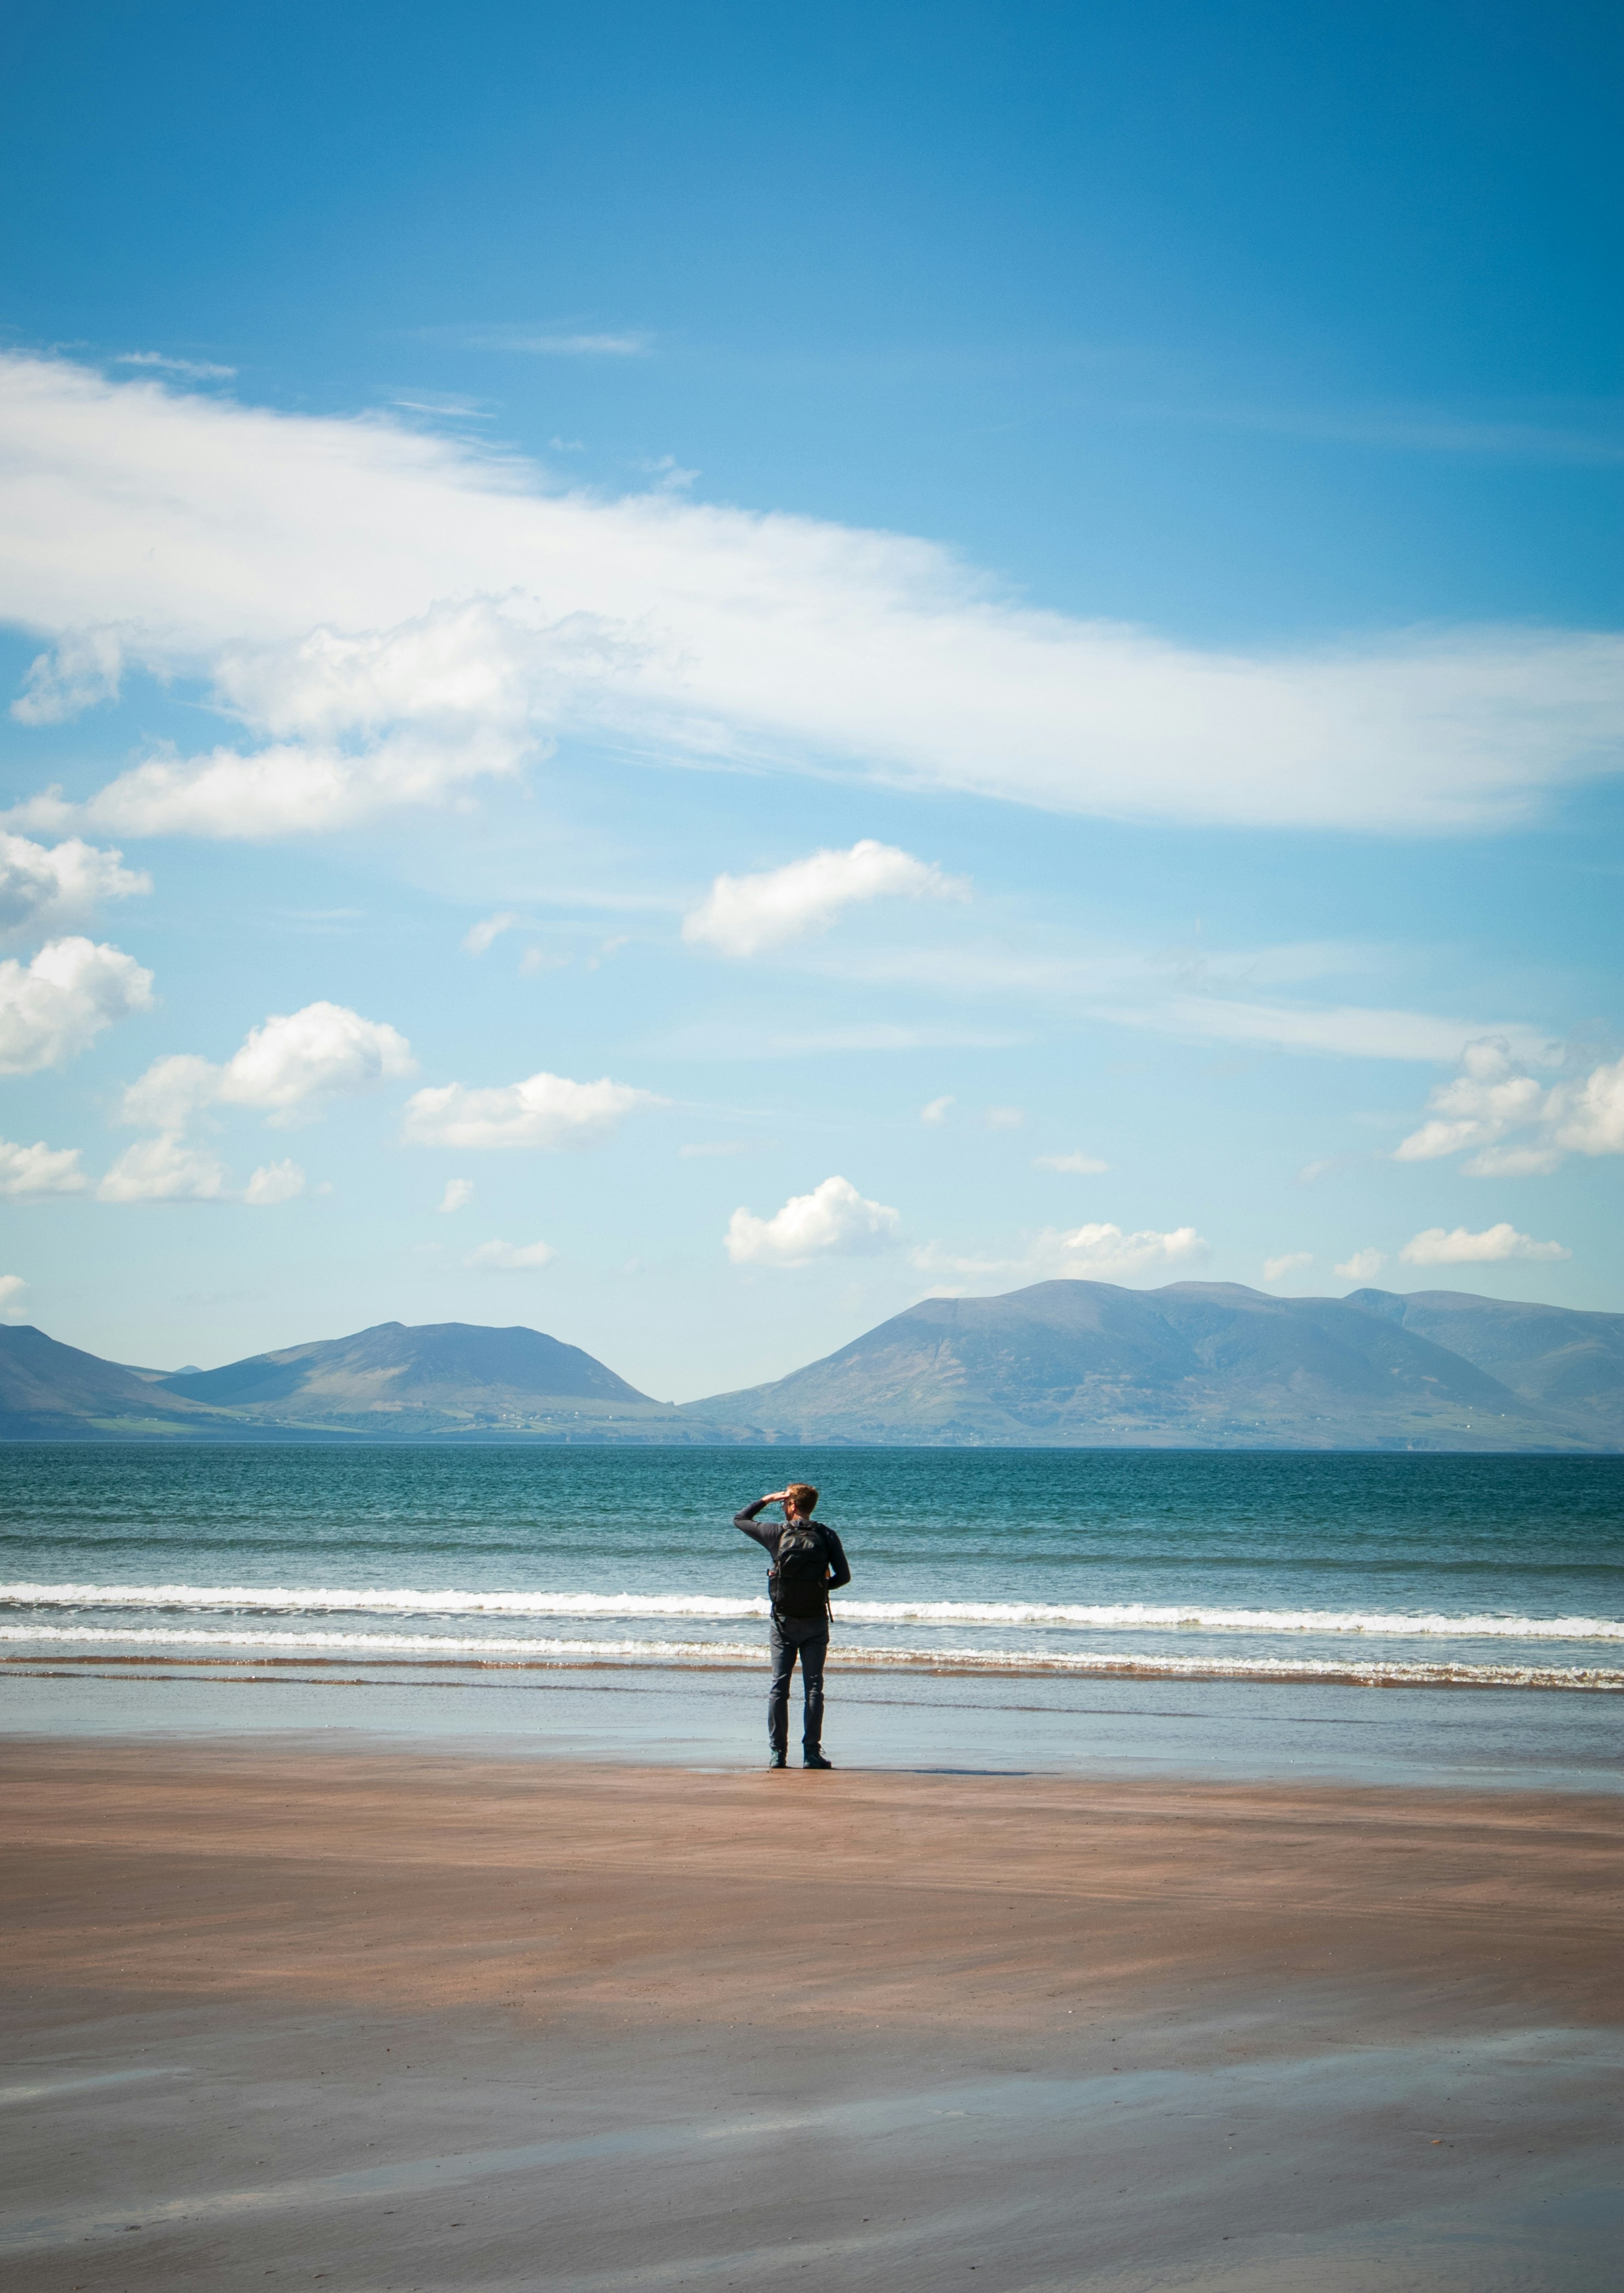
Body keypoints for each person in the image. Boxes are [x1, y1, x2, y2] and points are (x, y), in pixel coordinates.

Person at [734, 1483, 851, 1770]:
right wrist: (821, 1588)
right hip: (815, 1621)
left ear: (791, 1505)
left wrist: (767, 1498)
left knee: (779, 1689)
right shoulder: (826, 1534)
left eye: (784, 1503)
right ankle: (811, 1754)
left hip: (783, 1621)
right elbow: (844, 1577)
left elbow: (740, 1519)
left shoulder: (777, 1533)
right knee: (814, 1689)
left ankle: (778, 1754)